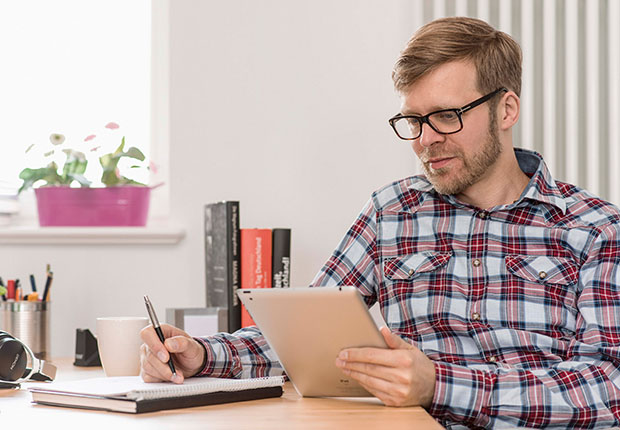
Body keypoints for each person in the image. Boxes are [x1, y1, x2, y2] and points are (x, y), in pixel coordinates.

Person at [140, 16, 620, 428]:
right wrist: (202, 355)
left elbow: (606, 387)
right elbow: (301, 334)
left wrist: (438, 384)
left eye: (446, 116)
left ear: (506, 109)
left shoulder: (594, 228)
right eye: (414, 120)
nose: (425, 140)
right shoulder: (391, 212)